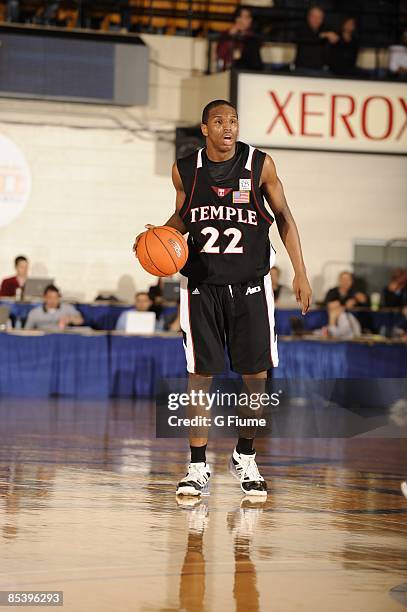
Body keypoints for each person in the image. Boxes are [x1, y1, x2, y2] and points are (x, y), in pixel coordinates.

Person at [134, 99, 312, 497]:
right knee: (199, 377)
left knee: (256, 378)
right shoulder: (185, 170)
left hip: (251, 284)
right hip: (201, 285)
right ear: (205, 129)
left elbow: (285, 217)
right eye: (219, 121)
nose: (228, 127)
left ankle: (245, 456)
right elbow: (183, 215)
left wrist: (300, 271)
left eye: (233, 120)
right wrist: (156, 236)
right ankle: (197, 467)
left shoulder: (259, 164)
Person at [294, 5, 339, 73]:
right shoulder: (301, 29)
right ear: (308, 17)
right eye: (314, 16)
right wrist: (323, 35)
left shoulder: (325, 29)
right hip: (302, 69)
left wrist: (335, 39)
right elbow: (309, 39)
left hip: (321, 69)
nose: (316, 19)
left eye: (319, 17)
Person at [216, 7, 263, 71]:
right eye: (240, 17)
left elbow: (255, 63)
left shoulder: (254, 38)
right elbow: (220, 54)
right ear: (236, 19)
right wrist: (230, 35)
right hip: (227, 71)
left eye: (247, 17)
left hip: (247, 72)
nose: (242, 20)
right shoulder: (226, 35)